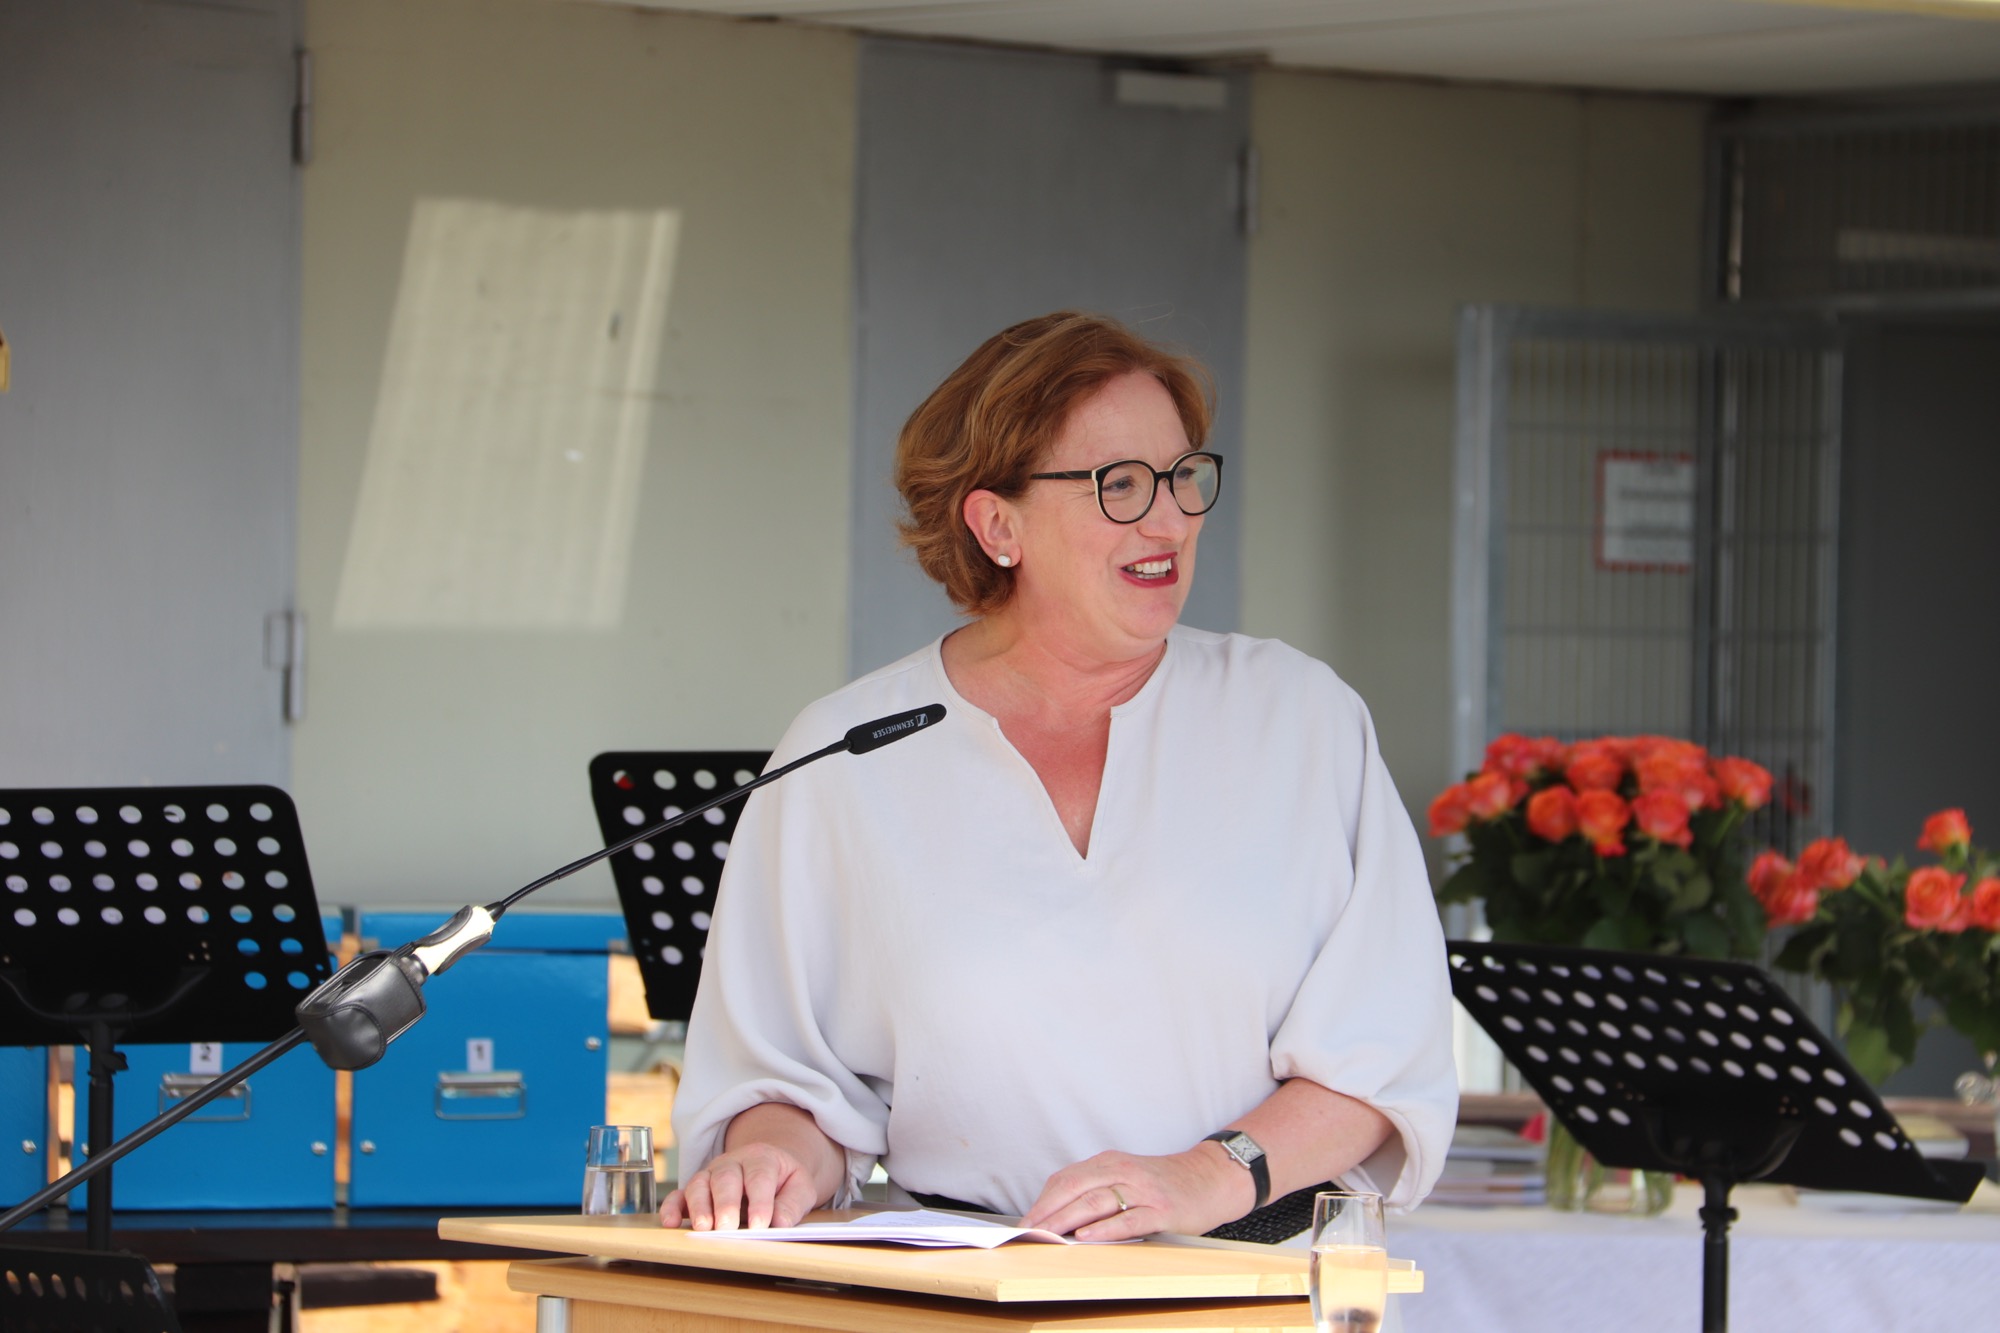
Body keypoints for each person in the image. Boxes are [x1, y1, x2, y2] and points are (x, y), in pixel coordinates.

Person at [663, 311, 1457, 1242]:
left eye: (1183, 475)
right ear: (997, 523)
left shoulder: (1300, 718)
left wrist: (1204, 1176)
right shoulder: (846, 750)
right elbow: (786, 1080)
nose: (1171, 519)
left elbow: (1382, 1054)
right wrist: (772, 1158)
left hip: (1256, 1279)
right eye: (1119, 484)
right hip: (965, 1284)